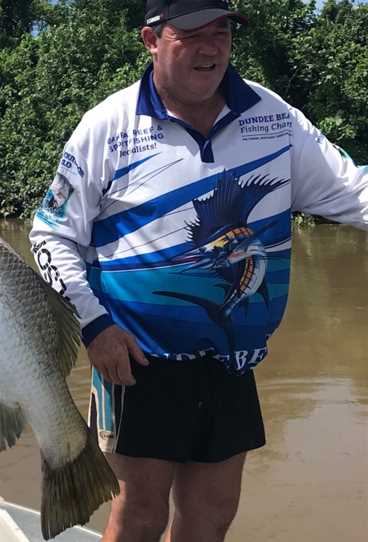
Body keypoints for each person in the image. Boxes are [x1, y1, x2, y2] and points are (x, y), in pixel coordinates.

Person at [29, 0, 367, 541]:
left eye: (222, 31)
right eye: (191, 34)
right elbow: (51, 233)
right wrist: (95, 327)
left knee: (210, 519)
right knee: (138, 517)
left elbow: (353, 192)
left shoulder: (272, 117)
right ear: (150, 40)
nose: (211, 47)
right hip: (135, 361)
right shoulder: (108, 127)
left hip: (233, 360)